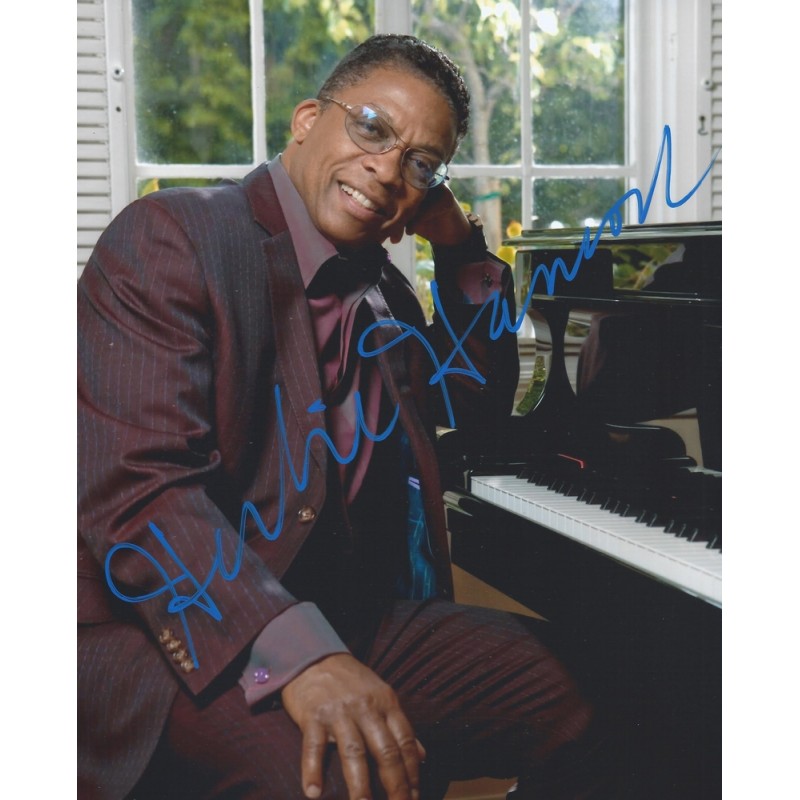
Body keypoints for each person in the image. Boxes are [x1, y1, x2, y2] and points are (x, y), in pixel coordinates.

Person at [78, 34, 612, 800]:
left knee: (606, 694)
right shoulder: (175, 236)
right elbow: (143, 495)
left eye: (421, 164)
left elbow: (474, 406)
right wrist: (300, 653)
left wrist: (458, 245)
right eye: (372, 128)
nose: (389, 170)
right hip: (175, 635)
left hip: (348, 617)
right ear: (307, 119)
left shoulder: (383, 291)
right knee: (332, 778)